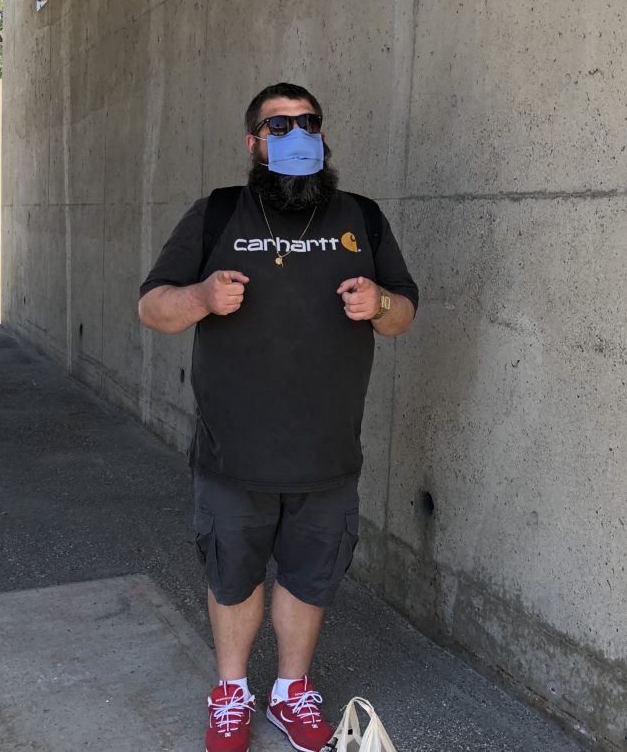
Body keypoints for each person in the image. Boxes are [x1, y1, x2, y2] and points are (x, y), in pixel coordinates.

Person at [138, 83, 418, 752]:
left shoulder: (363, 217)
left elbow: (403, 314)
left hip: (326, 453)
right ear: (254, 143)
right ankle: (231, 691)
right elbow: (153, 307)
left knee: (308, 577)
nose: (296, 135)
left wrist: (379, 304)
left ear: (322, 137)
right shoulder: (218, 215)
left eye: (308, 124)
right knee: (233, 577)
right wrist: (203, 296)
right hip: (235, 451)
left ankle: (293, 691)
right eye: (279, 124)